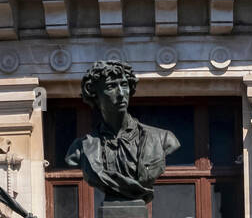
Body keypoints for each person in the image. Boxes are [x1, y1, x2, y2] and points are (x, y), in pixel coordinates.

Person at [65, 60, 179, 205]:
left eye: (124, 85)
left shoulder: (162, 138)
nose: (121, 93)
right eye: (111, 86)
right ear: (95, 94)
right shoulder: (80, 148)